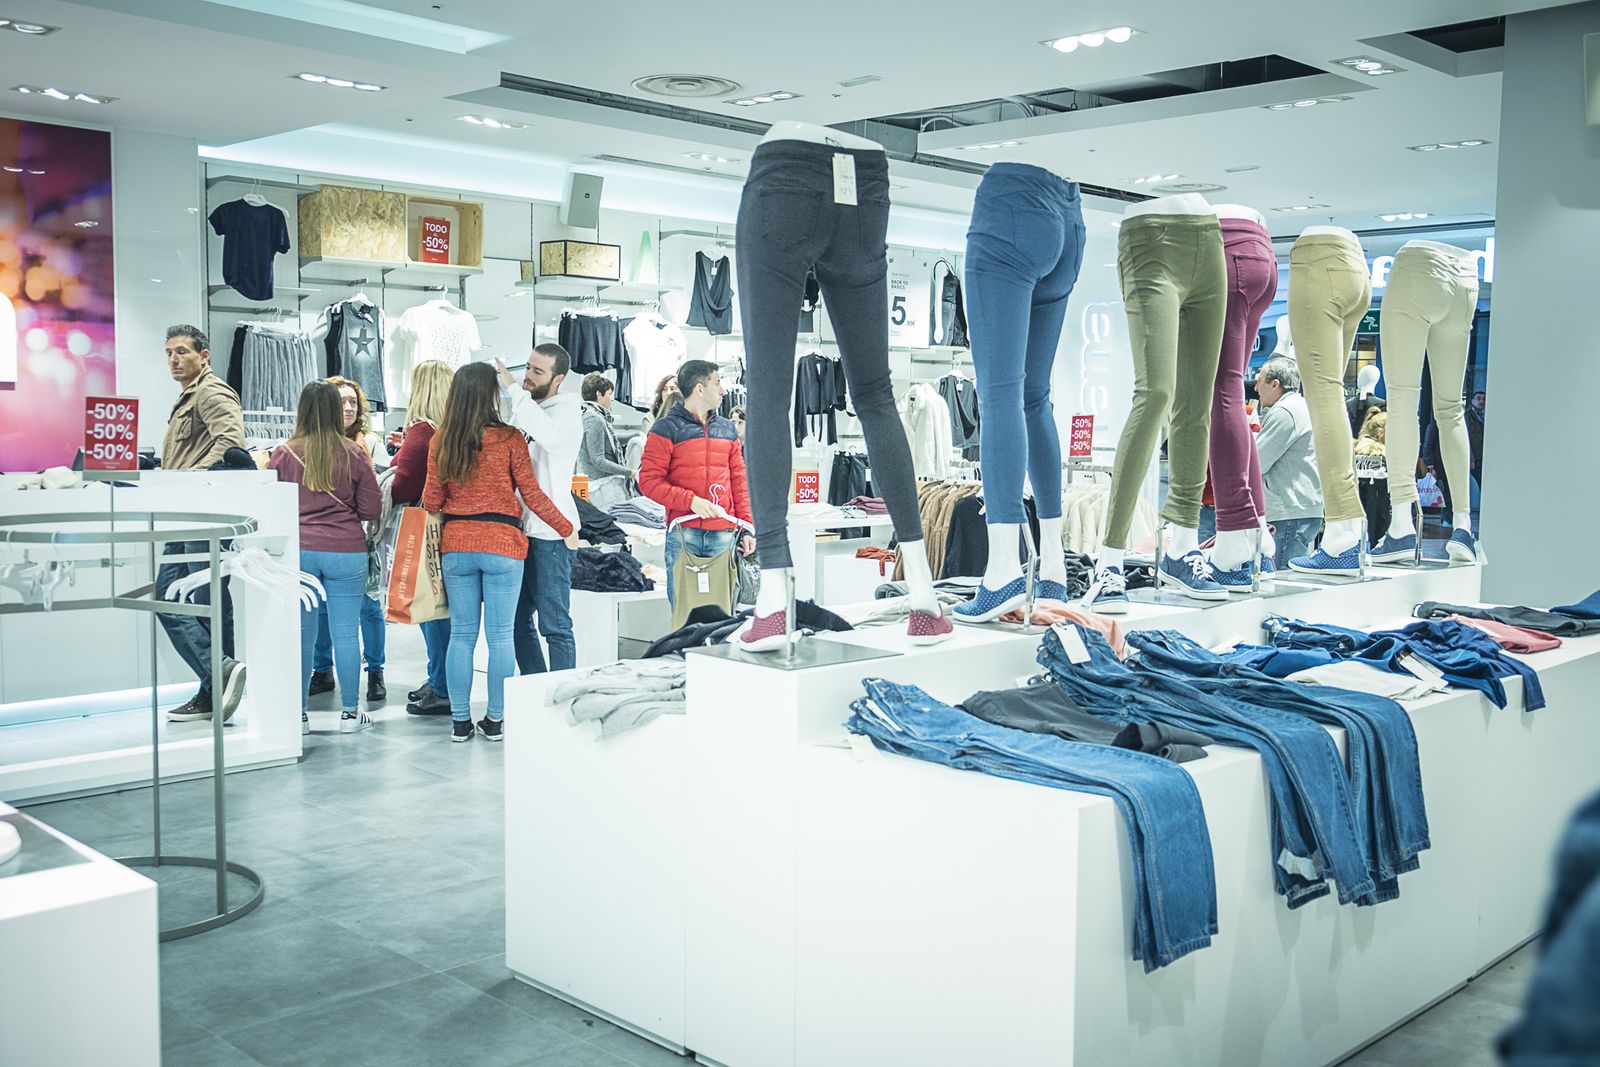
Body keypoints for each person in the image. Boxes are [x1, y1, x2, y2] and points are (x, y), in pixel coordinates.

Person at [426, 362, 577, 742]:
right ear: (491, 394)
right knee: (500, 637)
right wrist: (566, 528)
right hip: (503, 545)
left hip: (457, 545)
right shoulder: (509, 438)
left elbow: (431, 500)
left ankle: (460, 722)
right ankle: (495, 720)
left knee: (461, 635)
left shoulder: (441, 440)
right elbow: (532, 494)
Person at [267, 380, 381, 734]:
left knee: (302, 636)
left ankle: (298, 715)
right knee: (346, 634)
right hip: (346, 551)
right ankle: (350, 713)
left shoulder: (283, 453)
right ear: (335, 410)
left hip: (299, 553)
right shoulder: (354, 452)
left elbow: (270, 505)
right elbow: (371, 508)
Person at [157, 325, 248, 724]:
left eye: (182, 352)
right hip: (185, 512)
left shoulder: (211, 392)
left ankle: (216, 681)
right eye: (169, 353)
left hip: (204, 512)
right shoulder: (188, 395)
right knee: (173, 597)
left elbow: (230, 444)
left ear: (204, 355)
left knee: (204, 602)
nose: (174, 359)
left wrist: (191, 479)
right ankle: (218, 675)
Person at [637, 360, 754, 607]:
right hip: (683, 534)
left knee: (722, 615)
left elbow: (738, 482)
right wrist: (691, 501)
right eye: (717, 382)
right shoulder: (665, 429)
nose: (723, 390)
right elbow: (647, 481)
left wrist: (746, 527)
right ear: (700, 389)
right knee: (684, 615)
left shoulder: (727, 430)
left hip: (724, 534)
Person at [496, 344, 582, 675]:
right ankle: (536, 689)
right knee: (516, 622)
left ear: (558, 379)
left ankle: (562, 698)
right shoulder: (527, 410)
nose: (528, 376)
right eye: (527, 367)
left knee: (555, 624)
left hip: (551, 535)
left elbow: (550, 437)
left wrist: (512, 390)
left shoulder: (567, 413)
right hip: (520, 533)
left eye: (537, 371)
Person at [308, 375, 387, 704]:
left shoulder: (368, 443)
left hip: (363, 539)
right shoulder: (311, 444)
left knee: (369, 608)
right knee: (323, 609)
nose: (349, 407)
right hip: (336, 538)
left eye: (353, 401)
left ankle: (376, 670)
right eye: (342, 402)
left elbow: (382, 493)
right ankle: (322, 669)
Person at [389, 360, 454, 716]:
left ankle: (440, 684)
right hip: (454, 526)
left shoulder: (422, 432)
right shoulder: (455, 430)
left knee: (431, 609)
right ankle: (439, 679)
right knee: (442, 608)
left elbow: (404, 485)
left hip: (425, 526)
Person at [1253, 356, 1323, 569]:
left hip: (1288, 511)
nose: (1255, 387)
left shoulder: (1285, 412)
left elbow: (1257, 461)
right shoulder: (1301, 407)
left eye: (1259, 380)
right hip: (1299, 508)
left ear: (1275, 384)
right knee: (1290, 579)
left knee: (1281, 583)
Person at [577, 372, 633, 511]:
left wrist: (634, 436)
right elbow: (598, 460)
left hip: (604, 486)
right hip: (605, 488)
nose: (612, 398)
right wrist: (630, 472)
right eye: (609, 393)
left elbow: (606, 439)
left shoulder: (591, 415)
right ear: (598, 394)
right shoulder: (593, 419)